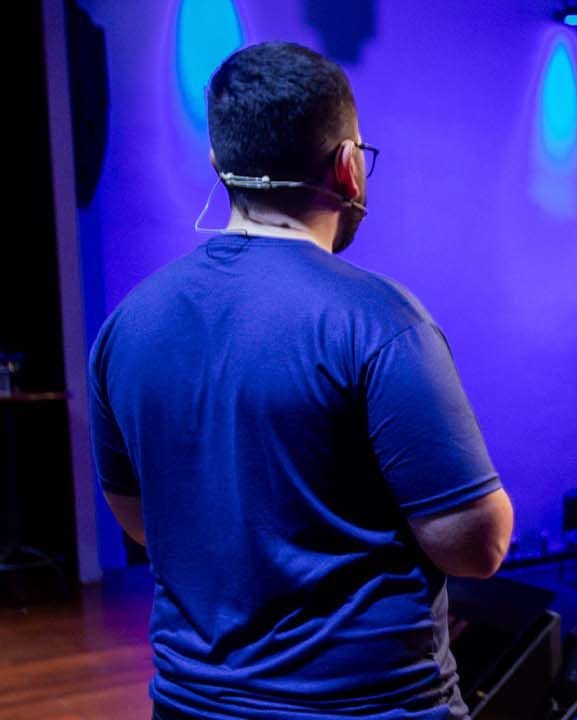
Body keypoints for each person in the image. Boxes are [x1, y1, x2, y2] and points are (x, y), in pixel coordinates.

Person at [88, 43, 513, 719]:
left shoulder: (127, 323)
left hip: (192, 705)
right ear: (348, 165)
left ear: (218, 166)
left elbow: (139, 523)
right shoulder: (382, 319)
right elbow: (476, 546)